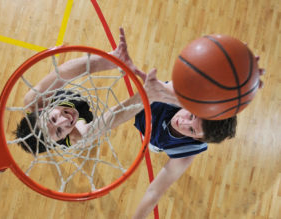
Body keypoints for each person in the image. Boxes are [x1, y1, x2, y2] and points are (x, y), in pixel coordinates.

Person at [131, 56, 265, 218]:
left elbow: (154, 192)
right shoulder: (184, 96)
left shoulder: (189, 150)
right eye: (192, 116)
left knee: (154, 146)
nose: (182, 123)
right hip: (146, 105)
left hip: (153, 137)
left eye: (192, 131)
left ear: (197, 139)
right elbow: (212, 76)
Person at [15, 27, 173, 153]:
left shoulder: (35, 100)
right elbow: (110, 119)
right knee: (85, 137)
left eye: (53, 119)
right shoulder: (76, 136)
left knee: (33, 97)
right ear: (60, 139)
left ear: (43, 109)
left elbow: (63, 73)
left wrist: (110, 60)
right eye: (59, 132)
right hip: (82, 115)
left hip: (62, 100)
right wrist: (146, 96)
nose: (65, 121)